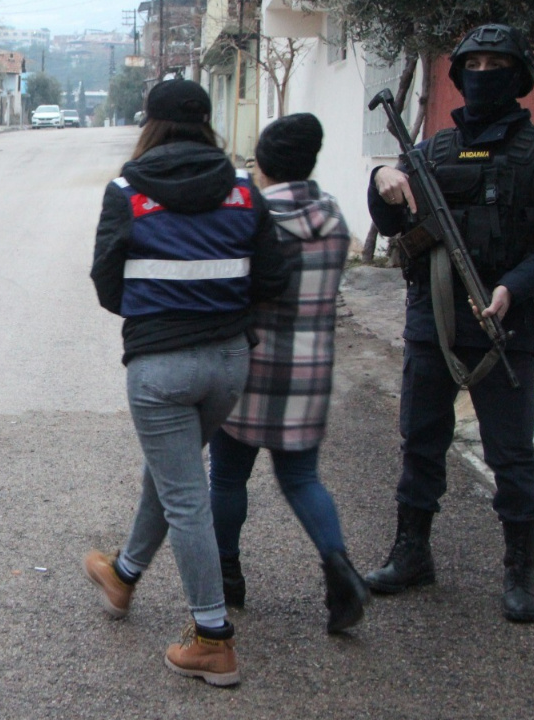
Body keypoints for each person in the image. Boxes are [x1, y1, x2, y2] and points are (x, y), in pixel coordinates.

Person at [366, 24, 534, 623]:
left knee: (511, 454)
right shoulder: (433, 151)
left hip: (505, 323)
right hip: (432, 318)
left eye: (497, 63)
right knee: (421, 440)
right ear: (459, 74)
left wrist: (514, 287)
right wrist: (382, 184)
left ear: (517, 77)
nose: (484, 72)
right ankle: (411, 553)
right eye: (474, 62)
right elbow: (394, 225)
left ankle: (520, 570)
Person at [84, 79, 288, 687]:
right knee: (171, 476)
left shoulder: (128, 192)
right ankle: (122, 574)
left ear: (151, 124)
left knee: (184, 493)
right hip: (228, 362)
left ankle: (212, 639)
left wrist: (155, 313)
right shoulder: (246, 192)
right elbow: (272, 278)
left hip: (160, 368)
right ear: (208, 124)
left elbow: (105, 281)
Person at [207, 113, 370, 634]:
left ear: (265, 162)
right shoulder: (334, 216)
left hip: (252, 365)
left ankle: (227, 573)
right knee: (301, 477)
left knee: (228, 476)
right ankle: (338, 564)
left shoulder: (254, 216)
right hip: (311, 367)